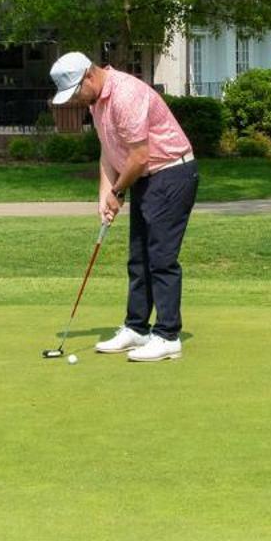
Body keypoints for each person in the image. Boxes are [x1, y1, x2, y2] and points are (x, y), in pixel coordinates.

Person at [49, 51, 197, 363]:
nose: (76, 99)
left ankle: (168, 335)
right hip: (148, 177)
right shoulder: (96, 100)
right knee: (138, 257)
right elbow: (109, 149)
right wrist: (104, 194)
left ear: (89, 76)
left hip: (171, 173)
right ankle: (137, 328)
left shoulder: (125, 94)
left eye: (76, 91)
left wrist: (118, 192)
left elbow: (139, 156)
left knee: (161, 258)